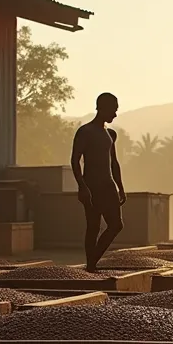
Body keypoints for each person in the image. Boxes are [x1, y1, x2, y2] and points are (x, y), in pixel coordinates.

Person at [71, 92, 127, 271]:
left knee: (116, 225)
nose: (115, 115)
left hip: (108, 185)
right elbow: (75, 160)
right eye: (113, 110)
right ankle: (91, 265)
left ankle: (92, 261)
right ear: (102, 108)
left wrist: (120, 187)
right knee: (93, 226)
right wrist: (82, 186)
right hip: (92, 186)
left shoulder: (110, 134)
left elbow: (114, 163)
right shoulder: (86, 131)